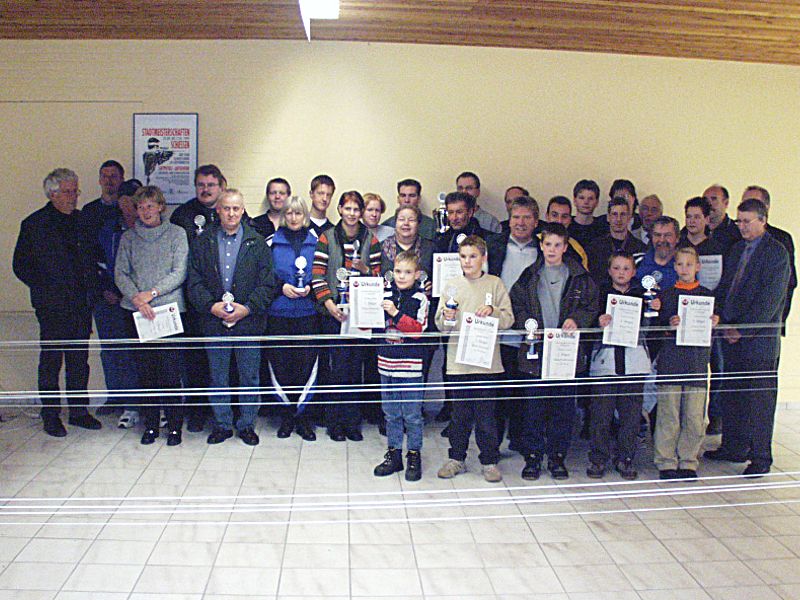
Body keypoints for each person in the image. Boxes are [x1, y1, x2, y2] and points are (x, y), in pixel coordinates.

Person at [13, 168, 101, 437]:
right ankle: (50, 415)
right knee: (51, 361)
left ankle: (79, 411)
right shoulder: (34, 224)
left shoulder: (82, 221)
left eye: (75, 191)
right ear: (52, 194)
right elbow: (20, 266)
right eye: (67, 192)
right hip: (51, 306)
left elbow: (92, 259)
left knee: (79, 360)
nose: (73, 197)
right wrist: (46, 288)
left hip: (80, 304)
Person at [706, 198, 790, 477]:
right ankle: (733, 447)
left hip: (758, 341)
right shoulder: (737, 249)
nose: (741, 226)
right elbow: (726, 288)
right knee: (733, 396)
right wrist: (720, 318)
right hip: (730, 336)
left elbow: (770, 301)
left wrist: (741, 330)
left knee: (759, 401)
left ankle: (760, 456)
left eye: (746, 221)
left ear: (762, 221)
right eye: (739, 221)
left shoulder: (776, 253)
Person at [187, 189, 277, 446]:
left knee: (249, 377)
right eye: (226, 208)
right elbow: (193, 281)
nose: (231, 213)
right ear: (218, 210)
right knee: (218, 377)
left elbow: (267, 283)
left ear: (243, 210)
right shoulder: (203, 242)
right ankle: (222, 425)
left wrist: (247, 309)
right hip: (214, 320)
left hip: (248, 321)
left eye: (236, 208)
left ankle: (247, 425)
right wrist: (210, 306)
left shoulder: (256, 242)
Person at [509, 223, 599, 480]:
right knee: (533, 408)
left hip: (565, 351)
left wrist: (576, 319)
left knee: (563, 408)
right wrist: (528, 324)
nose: (552, 249)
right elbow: (517, 305)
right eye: (548, 244)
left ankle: (557, 457)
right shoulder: (529, 275)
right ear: (541, 245)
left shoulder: (580, 277)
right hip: (536, 351)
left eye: (557, 245)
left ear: (565, 247)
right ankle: (533, 457)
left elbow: (592, 306)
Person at [435, 235, 514, 482]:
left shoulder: (495, 284)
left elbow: (509, 319)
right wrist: (447, 317)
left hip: (486, 363)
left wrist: (493, 312)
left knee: (486, 417)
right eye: (463, 256)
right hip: (458, 363)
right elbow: (440, 325)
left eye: (472, 256)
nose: (467, 261)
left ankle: (489, 461)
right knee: (459, 416)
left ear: (483, 258)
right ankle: (456, 458)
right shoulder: (451, 285)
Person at [115, 185, 188, 445]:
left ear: (161, 207)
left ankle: (175, 427)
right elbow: (120, 273)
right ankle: (151, 427)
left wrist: (152, 294)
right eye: (141, 207)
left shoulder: (177, 234)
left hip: (167, 311)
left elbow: (179, 272)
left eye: (150, 206)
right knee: (146, 373)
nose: (146, 211)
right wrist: (137, 298)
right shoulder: (128, 238)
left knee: (170, 373)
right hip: (137, 313)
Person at [312, 190, 381, 441]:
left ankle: (352, 423)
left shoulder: (371, 239)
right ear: (340, 209)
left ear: (361, 212)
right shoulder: (327, 237)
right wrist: (329, 304)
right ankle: (335, 423)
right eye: (348, 208)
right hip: (334, 313)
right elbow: (317, 275)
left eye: (356, 209)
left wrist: (365, 270)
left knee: (355, 369)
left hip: (360, 315)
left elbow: (379, 279)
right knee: (337, 369)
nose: (352, 214)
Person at [654, 247, 719, 479]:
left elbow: (713, 329)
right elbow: (656, 329)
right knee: (669, 414)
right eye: (680, 264)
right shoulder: (665, 296)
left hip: (696, 363)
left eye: (689, 264)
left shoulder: (708, 297)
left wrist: (714, 321)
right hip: (671, 362)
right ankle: (666, 461)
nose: (684, 269)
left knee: (694, 416)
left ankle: (689, 460)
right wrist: (668, 323)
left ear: (698, 267)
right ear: (674, 267)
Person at [170, 164, 227, 432]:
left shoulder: (230, 211)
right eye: (201, 185)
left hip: (226, 301)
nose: (205, 190)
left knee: (224, 360)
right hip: (193, 300)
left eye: (211, 185)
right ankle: (197, 412)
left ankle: (224, 412)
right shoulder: (182, 215)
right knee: (195, 359)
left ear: (221, 186)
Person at [587, 251, 652, 480]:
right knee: (601, 415)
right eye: (616, 268)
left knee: (631, 416)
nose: (621, 273)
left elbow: (653, 326)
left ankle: (626, 458)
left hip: (634, 361)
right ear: (609, 271)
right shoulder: (599, 294)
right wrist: (598, 321)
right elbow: (588, 320)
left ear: (634, 272)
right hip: (605, 361)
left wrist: (655, 309)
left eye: (626, 268)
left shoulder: (643, 296)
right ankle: (598, 458)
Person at [487, 195, 540, 451]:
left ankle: (519, 440)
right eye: (516, 217)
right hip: (497, 330)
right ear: (509, 220)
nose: (520, 222)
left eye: (527, 217)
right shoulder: (493, 246)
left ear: (536, 221)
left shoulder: (544, 249)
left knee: (522, 390)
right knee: (496, 391)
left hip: (528, 331)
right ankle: (493, 444)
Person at [266, 197, 319, 441]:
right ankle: (286, 416)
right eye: (289, 213)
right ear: (283, 215)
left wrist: (312, 288)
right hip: (279, 313)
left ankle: (304, 418)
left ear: (305, 215)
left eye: (298, 213)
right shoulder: (271, 242)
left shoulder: (316, 241)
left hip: (307, 313)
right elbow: (263, 274)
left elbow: (323, 272)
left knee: (305, 366)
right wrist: (281, 287)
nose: (294, 218)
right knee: (281, 366)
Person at [373, 251, 429, 481]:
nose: (402, 276)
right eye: (398, 271)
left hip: (411, 366)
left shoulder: (420, 298)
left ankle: (414, 454)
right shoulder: (384, 294)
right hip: (386, 363)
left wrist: (394, 313)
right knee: (391, 413)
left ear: (417, 274)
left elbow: (417, 330)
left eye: (407, 272)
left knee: (413, 415)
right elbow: (373, 326)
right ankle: (394, 454)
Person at [97, 179, 144, 428]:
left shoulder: (153, 228)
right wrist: (108, 289)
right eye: (127, 200)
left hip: (146, 302)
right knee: (119, 353)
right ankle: (127, 403)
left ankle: (153, 405)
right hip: (115, 301)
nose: (132, 205)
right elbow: (99, 263)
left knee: (149, 356)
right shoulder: (110, 229)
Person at [740, 185, 796, 335]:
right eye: (745, 203)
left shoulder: (780, 240)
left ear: (766, 208)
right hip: (732, 327)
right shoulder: (736, 239)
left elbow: (788, 284)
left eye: (754, 203)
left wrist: (779, 322)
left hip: (765, 328)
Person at [586, 198, 646, 289]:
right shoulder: (594, 247)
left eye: (623, 214)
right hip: (601, 295)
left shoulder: (640, 248)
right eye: (614, 214)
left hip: (630, 296)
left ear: (629, 217)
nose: (618, 219)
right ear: (608, 217)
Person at [541, 196, 588, 269]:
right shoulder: (534, 242)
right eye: (554, 215)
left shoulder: (577, 250)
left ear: (570, 219)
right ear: (547, 217)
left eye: (564, 216)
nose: (559, 221)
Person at [702, 184, 741, 255]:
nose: (709, 203)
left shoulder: (737, 232)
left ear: (726, 203)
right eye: (705, 200)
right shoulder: (692, 231)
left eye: (714, 199)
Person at [568, 179, 607, 249]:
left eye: (590, 198)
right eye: (581, 198)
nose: (586, 202)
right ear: (574, 200)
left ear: (597, 202)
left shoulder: (603, 229)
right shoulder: (567, 226)